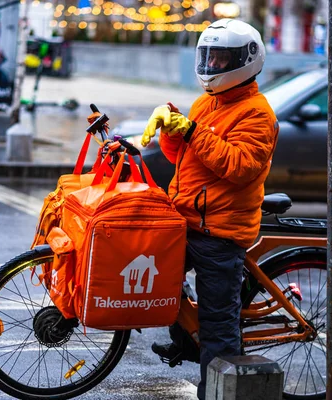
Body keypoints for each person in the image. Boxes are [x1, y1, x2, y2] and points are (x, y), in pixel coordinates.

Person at [141, 18, 279, 400]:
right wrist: (172, 128)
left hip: (220, 230)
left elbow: (240, 167)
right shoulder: (208, 101)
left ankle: (216, 391)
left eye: (221, 60)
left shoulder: (257, 113)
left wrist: (190, 130)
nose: (212, 67)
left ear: (246, 61)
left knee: (218, 324)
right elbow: (184, 156)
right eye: (209, 58)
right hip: (188, 216)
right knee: (157, 277)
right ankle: (186, 339)